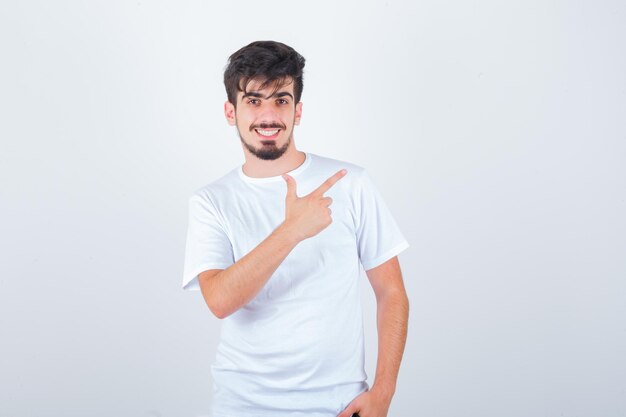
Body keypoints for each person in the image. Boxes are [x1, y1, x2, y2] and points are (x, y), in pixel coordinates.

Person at [182, 40, 410, 417]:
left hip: (341, 404)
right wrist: (292, 231)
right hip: (244, 405)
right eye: (254, 100)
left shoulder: (349, 182)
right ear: (230, 111)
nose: (268, 115)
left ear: (298, 111)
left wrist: (383, 393)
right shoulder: (211, 200)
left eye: (281, 100)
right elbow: (219, 301)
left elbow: (391, 292)